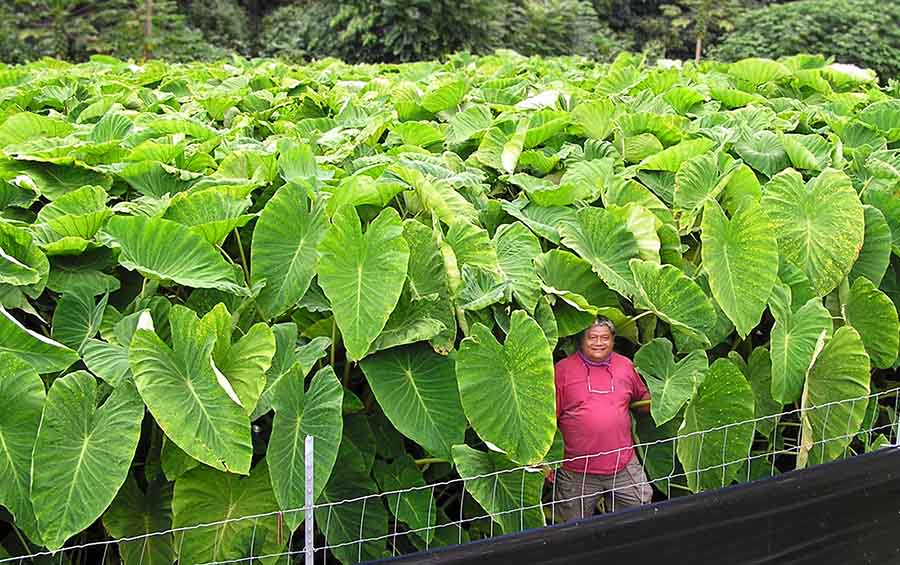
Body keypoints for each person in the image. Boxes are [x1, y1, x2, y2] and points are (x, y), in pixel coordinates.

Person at [552, 316, 653, 522]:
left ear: (613, 340)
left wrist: (670, 394)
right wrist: (544, 462)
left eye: (604, 338)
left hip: (622, 465)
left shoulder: (625, 366)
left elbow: (643, 399)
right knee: (572, 530)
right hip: (577, 471)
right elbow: (546, 419)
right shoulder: (562, 370)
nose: (599, 343)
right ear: (582, 340)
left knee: (639, 514)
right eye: (592, 337)